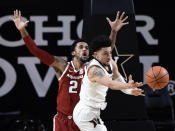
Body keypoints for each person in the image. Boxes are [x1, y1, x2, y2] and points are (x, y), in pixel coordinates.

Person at [10, 10, 130, 131]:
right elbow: (36, 51)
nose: (85, 49)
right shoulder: (62, 65)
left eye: (87, 48)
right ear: (73, 52)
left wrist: (113, 31)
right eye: (81, 47)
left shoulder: (91, 67)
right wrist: (22, 30)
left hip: (83, 119)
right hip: (62, 120)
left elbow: (106, 50)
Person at [73, 35, 144, 131]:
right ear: (95, 55)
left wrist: (130, 91)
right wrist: (128, 85)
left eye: (110, 53)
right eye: (105, 54)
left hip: (93, 112)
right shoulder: (94, 70)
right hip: (85, 113)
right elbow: (111, 84)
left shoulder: (110, 62)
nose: (109, 56)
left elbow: (118, 80)